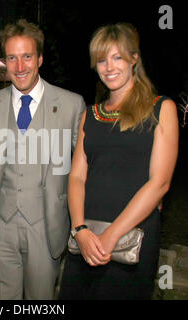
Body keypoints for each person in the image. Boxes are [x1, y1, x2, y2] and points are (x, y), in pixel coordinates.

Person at [59, 22, 179, 300]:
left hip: (132, 237)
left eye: (117, 57)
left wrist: (111, 236)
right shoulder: (91, 114)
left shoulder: (162, 108)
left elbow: (159, 183)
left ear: (134, 58)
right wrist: (80, 230)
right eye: (101, 60)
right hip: (86, 236)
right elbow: (77, 176)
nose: (109, 67)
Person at [0, 19, 85, 299]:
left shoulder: (72, 105)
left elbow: (83, 169)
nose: (20, 66)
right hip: (1, 225)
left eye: (27, 56)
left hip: (46, 225)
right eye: (12, 58)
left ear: (39, 59)